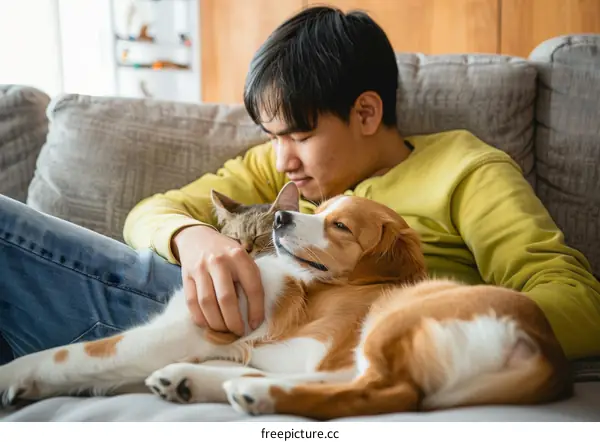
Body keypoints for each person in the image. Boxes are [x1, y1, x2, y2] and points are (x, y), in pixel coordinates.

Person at [1, 6, 599, 367]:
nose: (280, 158)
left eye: (299, 134)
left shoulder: (466, 170)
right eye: (271, 136)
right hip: (205, 308)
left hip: (284, 338)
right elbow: (152, 211)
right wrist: (192, 239)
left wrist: (410, 325)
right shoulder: (287, 170)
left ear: (366, 113)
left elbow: (577, 301)